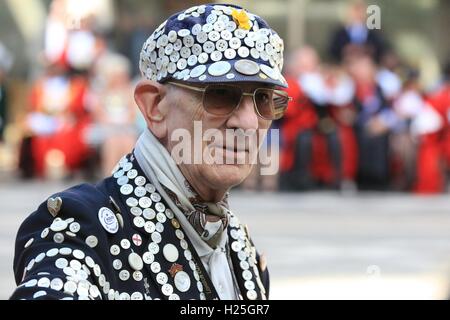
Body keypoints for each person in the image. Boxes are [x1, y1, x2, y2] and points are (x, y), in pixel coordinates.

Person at [10, 4, 290, 300]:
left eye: (264, 99)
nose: (248, 123)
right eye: (220, 94)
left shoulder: (240, 249)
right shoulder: (80, 227)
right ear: (155, 107)